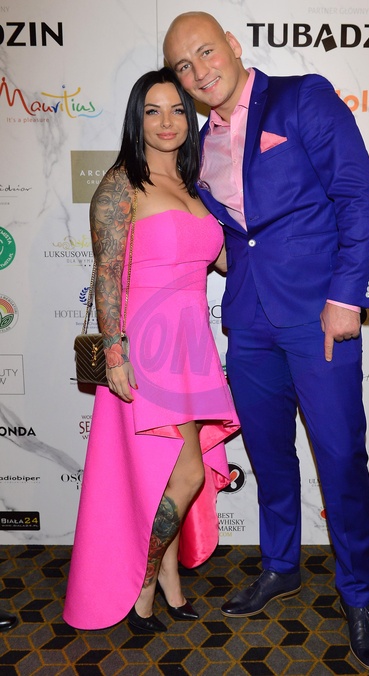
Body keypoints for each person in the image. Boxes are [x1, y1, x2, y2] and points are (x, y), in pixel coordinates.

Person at [163, 12, 369, 671]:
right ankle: (281, 565)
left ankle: (358, 596)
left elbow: (358, 195)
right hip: (250, 323)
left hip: (319, 316)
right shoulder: (199, 144)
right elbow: (234, 234)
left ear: (233, 46)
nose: (200, 71)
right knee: (268, 454)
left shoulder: (301, 97)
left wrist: (347, 296)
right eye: (183, 66)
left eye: (207, 52)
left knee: (340, 458)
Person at [63, 67, 239, 633]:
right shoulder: (121, 183)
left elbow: (224, 260)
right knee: (185, 475)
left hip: (191, 342)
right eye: (153, 111)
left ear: (190, 118)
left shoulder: (196, 185)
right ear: (136, 120)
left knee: (168, 475)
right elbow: (105, 271)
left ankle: (170, 583)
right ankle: (141, 584)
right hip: (146, 345)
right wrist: (114, 353)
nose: (167, 122)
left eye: (178, 110)